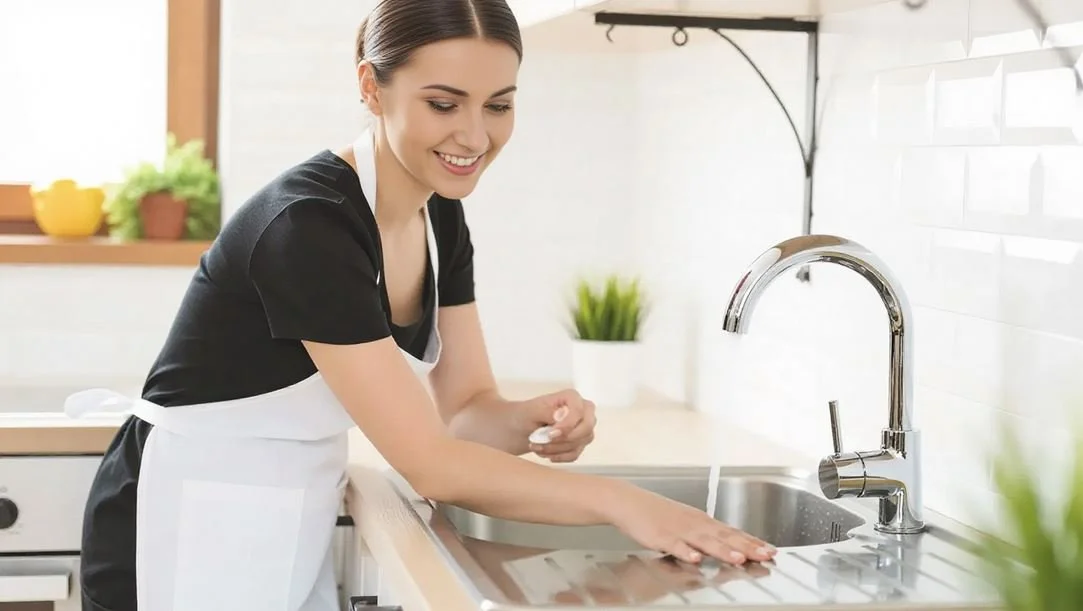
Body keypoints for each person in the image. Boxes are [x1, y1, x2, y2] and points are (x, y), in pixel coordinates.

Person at [66, 1, 777, 609]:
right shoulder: (308, 225)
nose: (474, 135)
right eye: (443, 103)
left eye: (499, 104)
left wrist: (528, 420)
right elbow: (430, 462)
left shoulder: (440, 218)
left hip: (283, 506)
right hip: (183, 514)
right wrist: (626, 503)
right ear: (371, 88)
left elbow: (463, 408)